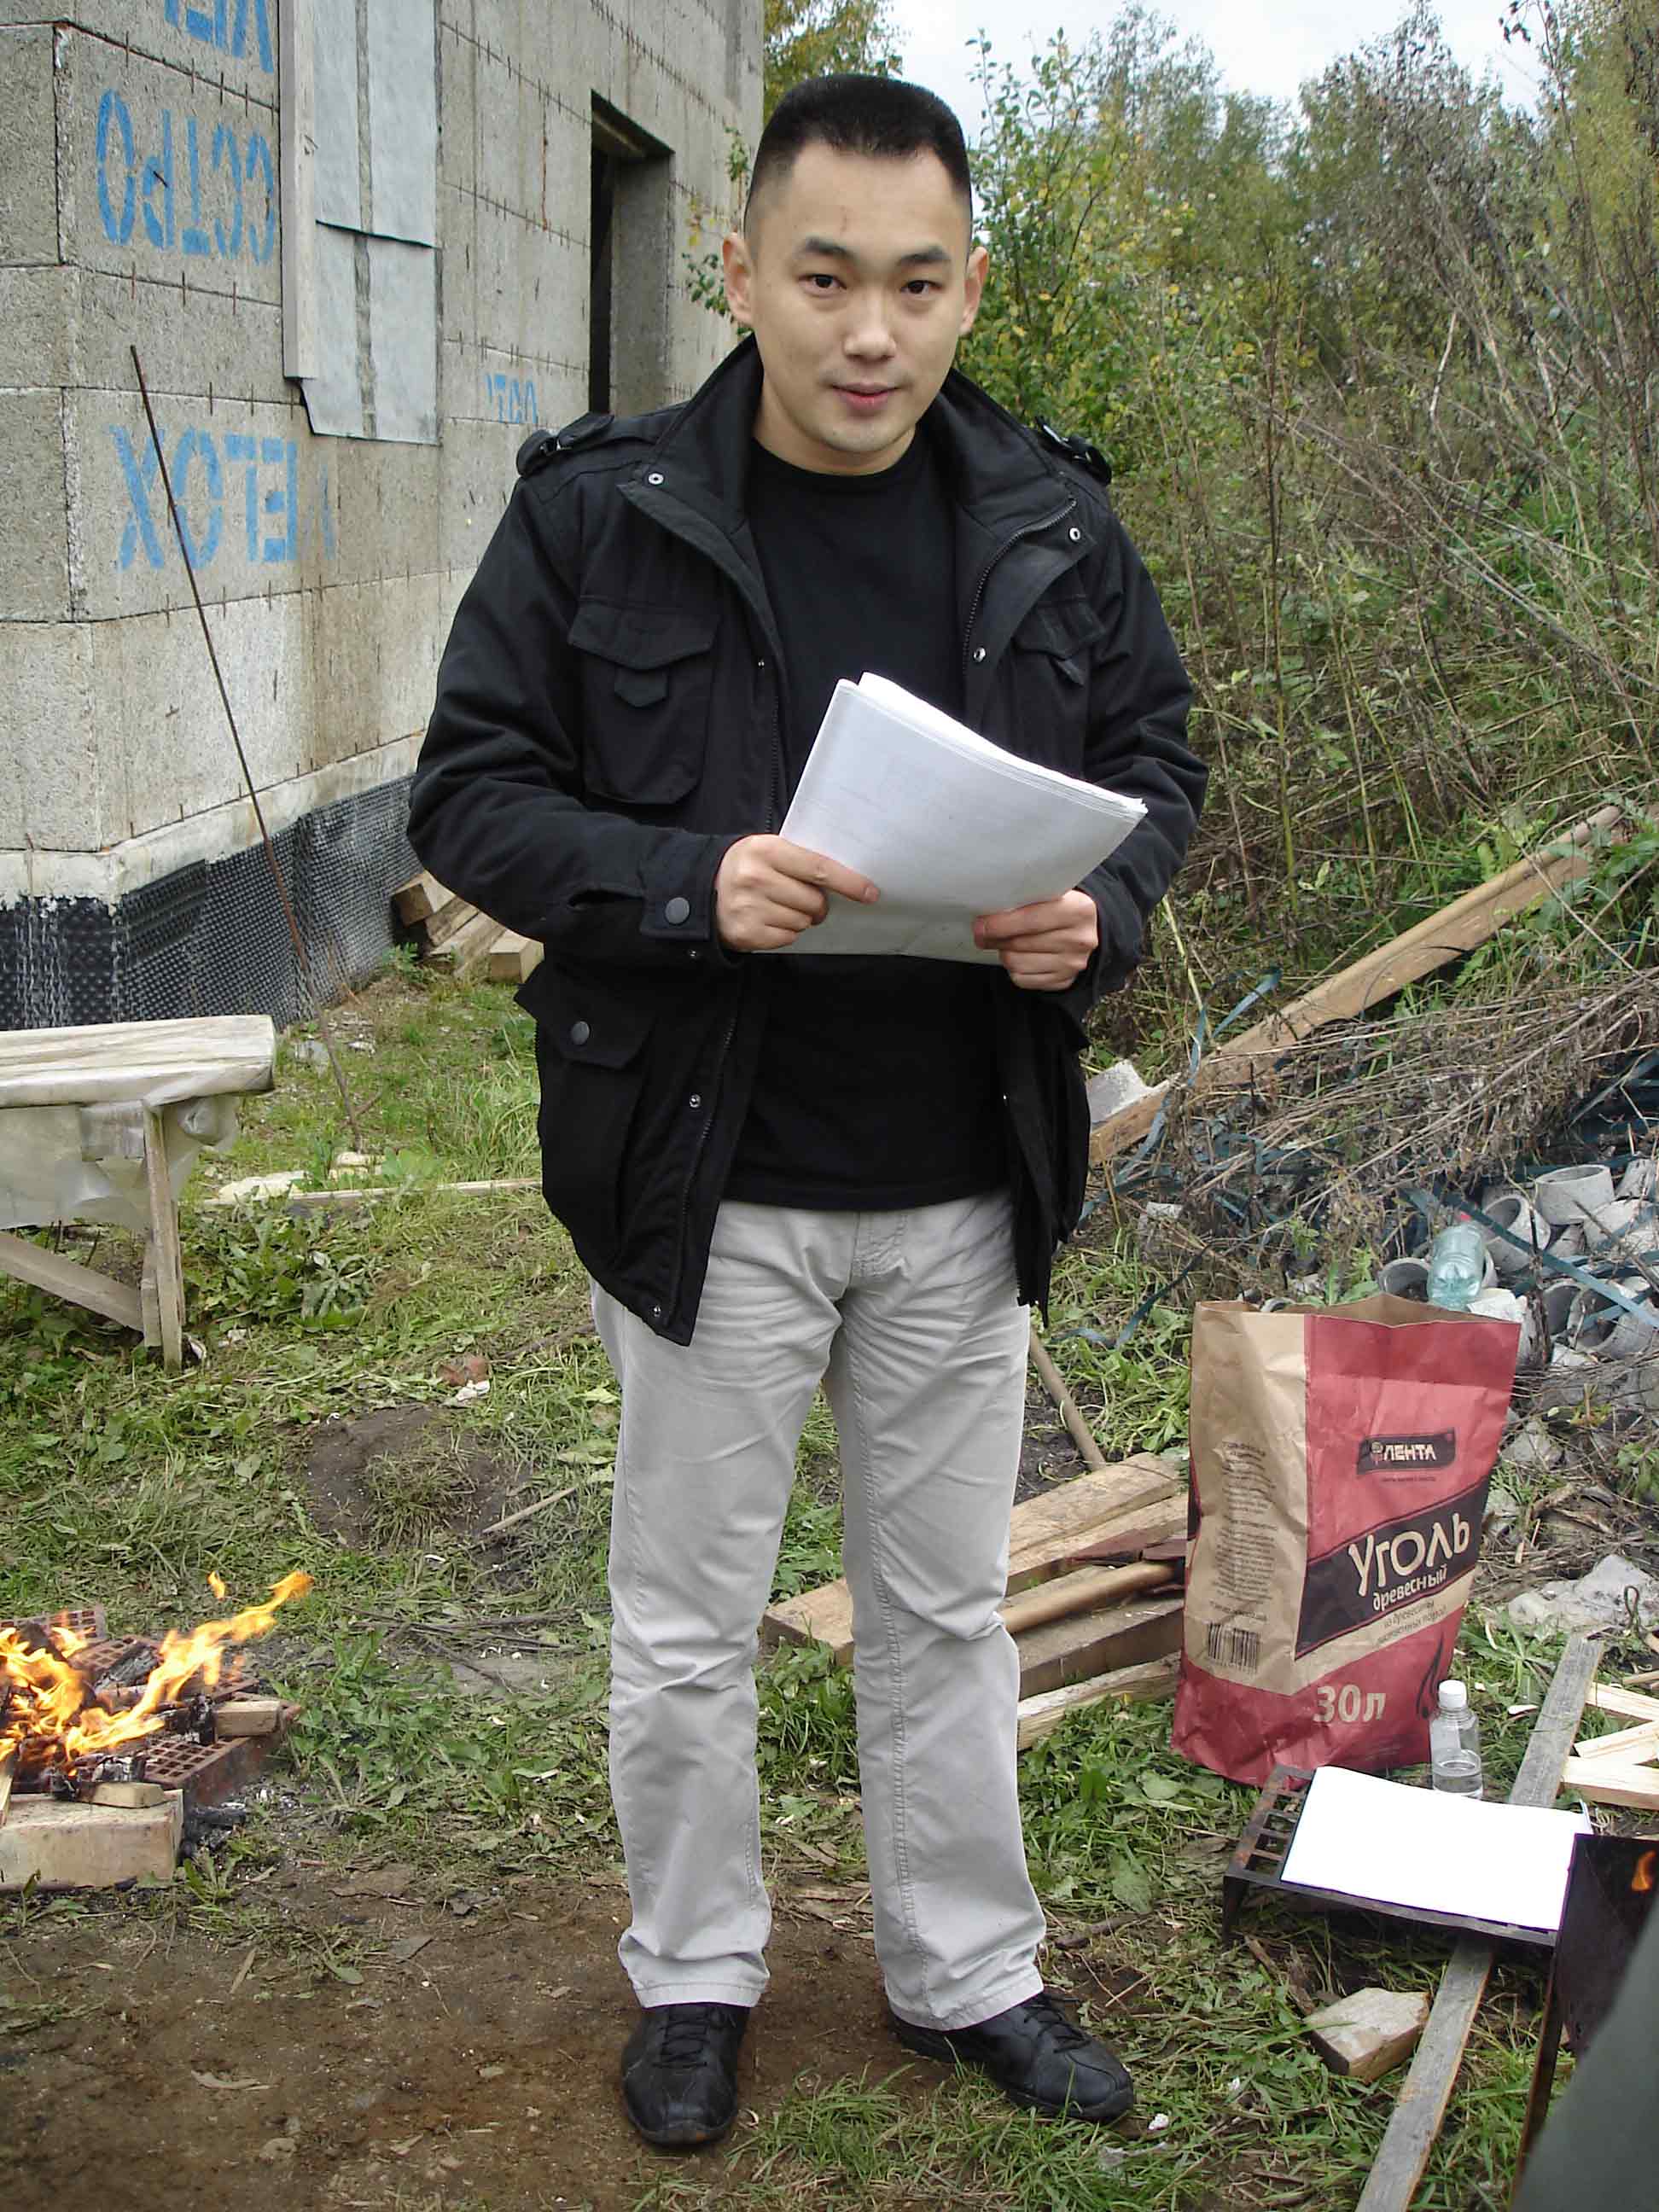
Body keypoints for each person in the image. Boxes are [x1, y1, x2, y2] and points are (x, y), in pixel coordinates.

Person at [409, 73, 1205, 2151]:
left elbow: (1158, 756)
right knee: (688, 1621)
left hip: (961, 1172)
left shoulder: (1049, 519)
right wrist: (691, 884)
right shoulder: (604, 515)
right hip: (710, 1173)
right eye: (826, 277)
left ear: (969, 292)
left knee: (944, 1610)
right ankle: (693, 1975)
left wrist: (1100, 911)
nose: (870, 333)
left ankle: (969, 1972)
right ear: (740, 270)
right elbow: (469, 794)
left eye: (916, 285)